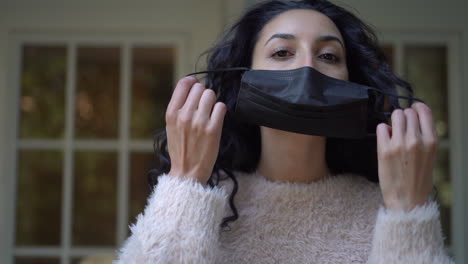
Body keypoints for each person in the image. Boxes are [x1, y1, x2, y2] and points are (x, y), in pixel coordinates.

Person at [114, 0, 454, 263]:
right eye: (281, 52)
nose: (307, 67)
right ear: (245, 79)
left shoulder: (382, 209)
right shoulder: (206, 202)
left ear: (352, 81)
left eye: (328, 55)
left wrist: (408, 214)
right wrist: (186, 181)